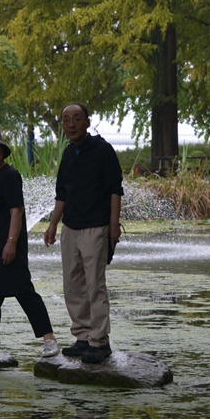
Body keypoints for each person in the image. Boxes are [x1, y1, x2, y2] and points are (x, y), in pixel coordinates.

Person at [0, 126, 60, 361]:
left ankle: (49, 340)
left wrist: (11, 243)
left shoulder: (10, 176)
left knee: (23, 291)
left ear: (2, 150)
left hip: (7, 246)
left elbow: (17, 211)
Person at [43, 103, 123, 364]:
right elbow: (62, 194)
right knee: (73, 285)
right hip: (70, 228)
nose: (71, 124)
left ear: (88, 122)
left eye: (77, 118)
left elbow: (115, 190)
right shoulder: (68, 153)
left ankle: (99, 341)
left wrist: (114, 226)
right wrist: (53, 225)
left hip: (96, 227)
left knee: (94, 286)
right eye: (66, 120)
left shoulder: (102, 150)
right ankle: (82, 336)